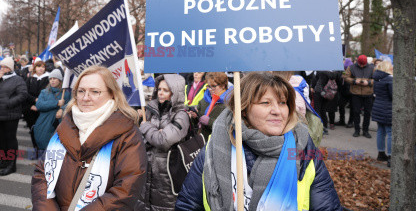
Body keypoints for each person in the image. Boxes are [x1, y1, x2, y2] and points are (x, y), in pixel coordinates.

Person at [175, 72, 342, 210]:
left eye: (283, 102)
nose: (277, 111)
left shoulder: (304, 149)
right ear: (244, 109)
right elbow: (188, 204)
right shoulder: (216, 145)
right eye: (266, 102)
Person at [31, 66, 147, 210]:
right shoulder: (65, 125)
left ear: (112, 94)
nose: (85, 98)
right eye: (81, 91)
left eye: (95, 92)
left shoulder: (128, 134)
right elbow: (42, 173)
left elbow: (126, 189)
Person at [140, 74, 189, 210]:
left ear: (175, 93)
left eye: (165, 90)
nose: (160, 93)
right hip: (148, 170)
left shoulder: (181, 115)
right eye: (159, 89)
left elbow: (163, 142)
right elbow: (143, 139)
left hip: (167, 176)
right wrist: (155, 133)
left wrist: (147, 127)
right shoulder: (152, 110)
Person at [33, 70, 71, 151]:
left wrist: (62, 109)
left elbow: (69, 106)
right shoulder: (44, 92)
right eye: (50, 79)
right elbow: (39, 105)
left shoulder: (66, 94)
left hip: (57, 124)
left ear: (60, 80)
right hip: (44, 122)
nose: (52, 80)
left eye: (55, 78)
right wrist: (56, 103)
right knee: (42, 142)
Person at [194, 72, 232, 141]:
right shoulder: (204, 100)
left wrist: (209, 122)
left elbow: (229, 127)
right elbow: (197, 121)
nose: (210, 89)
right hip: (201, 141)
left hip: (218, 143)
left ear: (223, 85)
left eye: (214, 86)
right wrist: (194, 117)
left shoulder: (230, 103)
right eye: (208, 86)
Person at [344, 54, 374, 138]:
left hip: (368, 93)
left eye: (363, 64)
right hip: (355, 93)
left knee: (367, 113)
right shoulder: (351, 67)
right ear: (358, 62)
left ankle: (365, 131)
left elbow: (376, 79)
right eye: (360, 64)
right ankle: (357, 130)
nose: (362, 66)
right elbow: (345, 77)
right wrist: (354, 81)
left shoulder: (372, 68)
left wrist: (368, 82)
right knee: (356, 112)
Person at [372, 61, 393, 167]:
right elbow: (393, 95)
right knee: (390, 132)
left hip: (378, 107)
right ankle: (390, 156)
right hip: (388, 108)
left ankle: (381, 153)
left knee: (380, 131)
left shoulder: (377, 78)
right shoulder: (389, 79)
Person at [24, 61, 50, 132]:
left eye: (43, 67)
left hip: (43, 109)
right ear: (35, 68)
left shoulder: (48, 79)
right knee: (33, 129)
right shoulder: (30, 79)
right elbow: (25, 93)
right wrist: (33, 101)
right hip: (31, 108)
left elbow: (49, 93)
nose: (41, 69)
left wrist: (40, 104)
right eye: (39, 66)